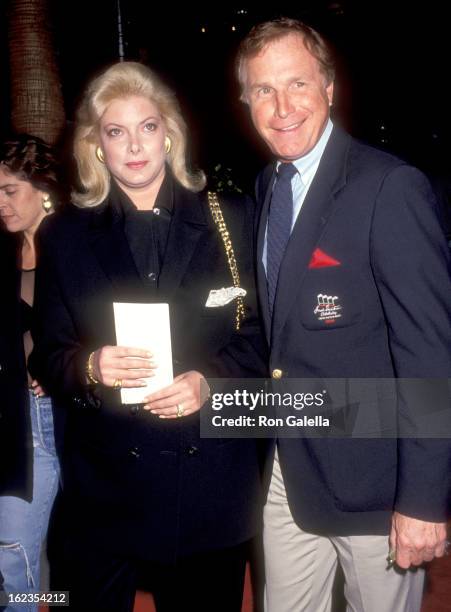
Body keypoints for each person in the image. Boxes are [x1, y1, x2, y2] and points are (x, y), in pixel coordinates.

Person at [31, 61, 264, 612]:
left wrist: (211, 383)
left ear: (170, 134)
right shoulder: (64, 233)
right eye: (116, 131)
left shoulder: (231, 219)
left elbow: (259, 340)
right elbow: (48, 351)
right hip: (105, 489)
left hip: (207, 485)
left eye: (148, 126)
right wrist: (91, 367)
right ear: (97, 146)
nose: (134, 145)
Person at [236, 17, 451, 612]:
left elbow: (430, 353)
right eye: (263, 90)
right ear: (246, 101)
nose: (281, 106)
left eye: (297, 84)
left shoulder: (390, 187)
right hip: (287, 471)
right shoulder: (266, 187)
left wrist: (424, 500)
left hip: (376, 486)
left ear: (328, 88)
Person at [0, 135, 64, 611]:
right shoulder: (3, 251)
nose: (0, 203)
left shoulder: (78, 243)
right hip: (21, 420)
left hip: (76, 415)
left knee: (73, 559)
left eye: (9, 190)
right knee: (13, 556)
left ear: (42, 187)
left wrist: (58, 364)